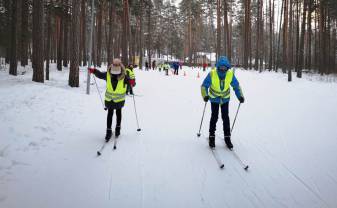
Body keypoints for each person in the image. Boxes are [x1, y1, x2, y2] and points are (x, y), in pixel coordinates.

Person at [201, 56, 244, 149]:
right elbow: (204, 86)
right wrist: (205, 95)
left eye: (225, 67)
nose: (223, 69)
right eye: (221, 67)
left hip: (225, 98)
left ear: (228, 67)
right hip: (214, 98)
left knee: (225, 117)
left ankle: (227, 137)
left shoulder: (230, 74)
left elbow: (236, 86)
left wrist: (240, 96)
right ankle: (211, 136)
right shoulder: (212, 74)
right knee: (214, 116)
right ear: (218, 67)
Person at [89, 58, 131, 141]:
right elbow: (100, 74)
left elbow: (131, 82)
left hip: (117, 100)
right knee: (112, 114)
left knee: (116, 113)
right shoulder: (108, 74)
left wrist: (132, 82)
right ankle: (109, 132)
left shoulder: (124, 76)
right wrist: (94, 71)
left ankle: (117, 130)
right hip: (111, 100)